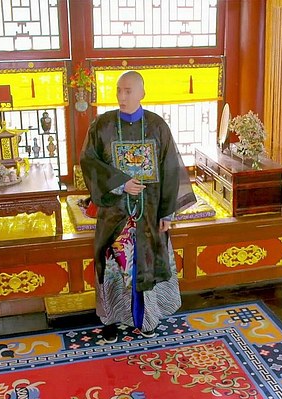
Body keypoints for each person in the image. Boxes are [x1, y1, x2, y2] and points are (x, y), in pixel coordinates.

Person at [79, 70, 195, 343]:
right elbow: (89, 162)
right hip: (114, 216)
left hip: (150, 214)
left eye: (128, 91)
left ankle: (148, 318)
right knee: (112, 269)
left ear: (142, 93)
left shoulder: (157, 126)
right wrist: (120, 183)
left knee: (147, 267)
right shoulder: (102, 125)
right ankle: (110, 320)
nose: (122, 96)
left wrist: (167, 212)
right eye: (118, 90)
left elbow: (170, 169)